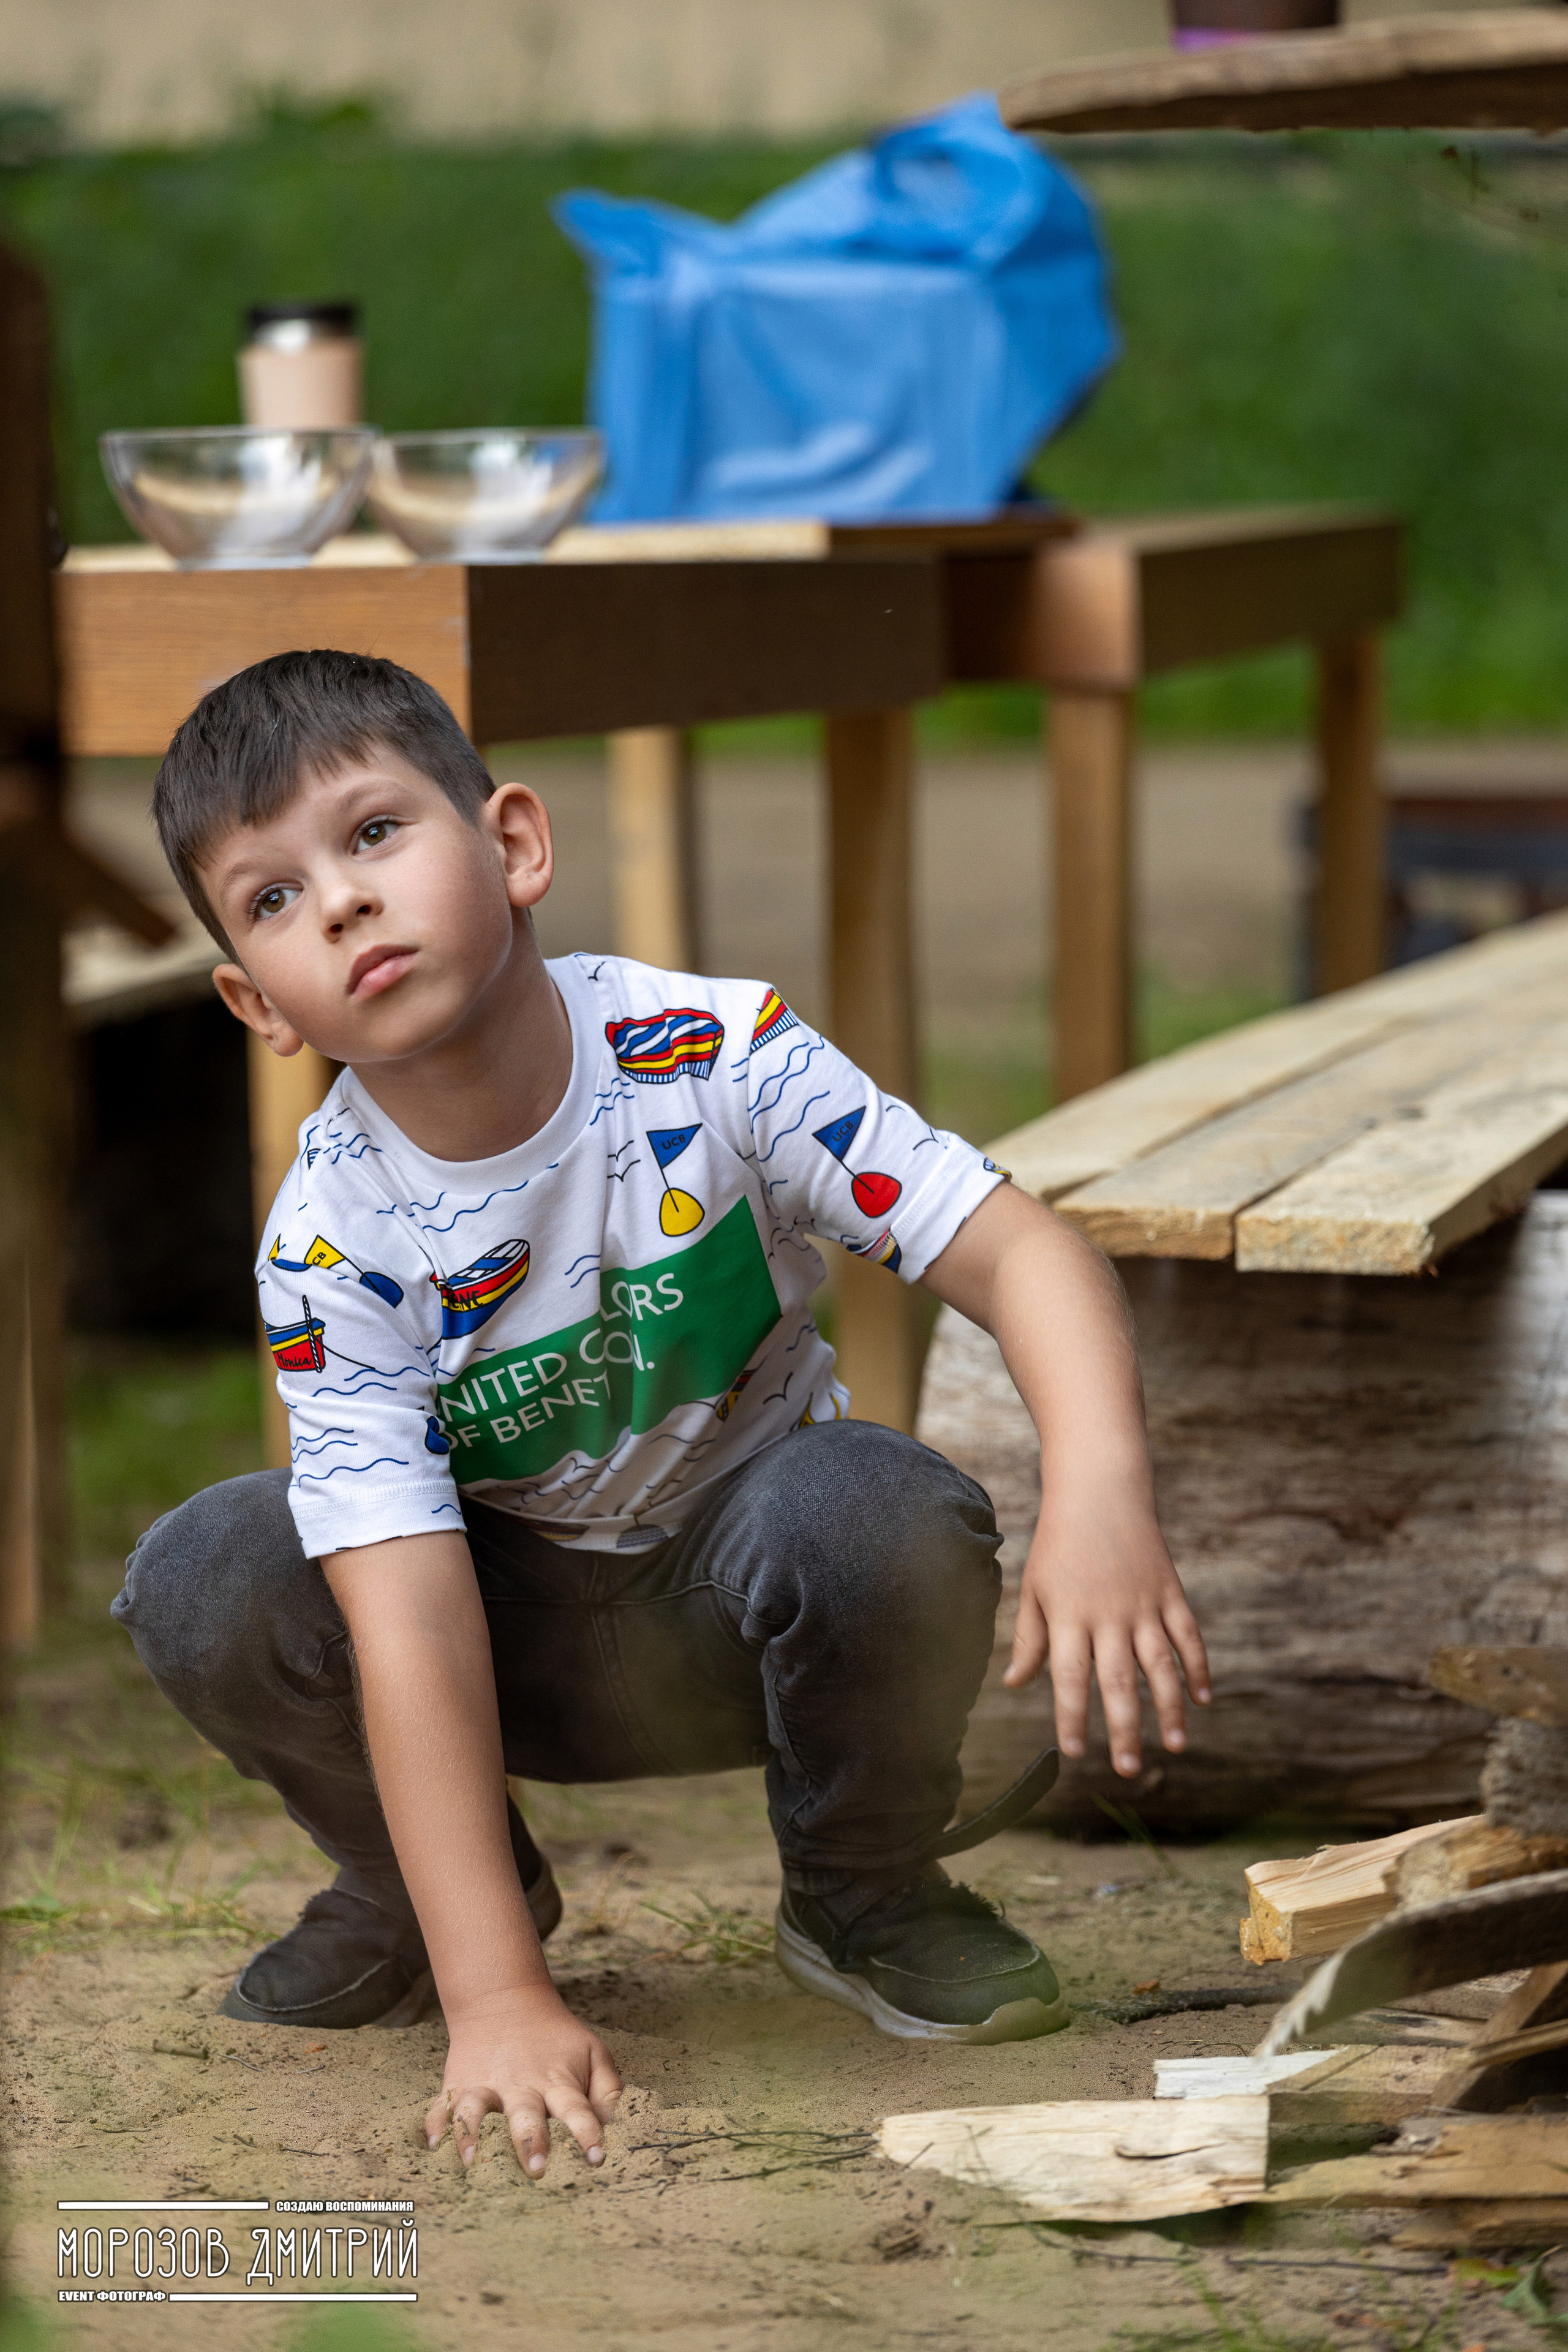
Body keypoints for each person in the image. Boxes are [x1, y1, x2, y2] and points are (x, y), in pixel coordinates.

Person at [113, 649, 1209, 2181]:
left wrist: (1100, 1492)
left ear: (512, 845)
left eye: (371, 835)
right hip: (503, 1649)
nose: (342, 902)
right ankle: (435, 1898)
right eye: (272, 897)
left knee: (872, 1502)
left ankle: (858, 1888)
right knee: (207, 1570)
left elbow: (1019, 1246)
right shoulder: (327, 1242)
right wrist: (503, 2004)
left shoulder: (712, 1055)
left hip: (744, 1605)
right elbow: (413, 1629)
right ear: (254, 1003)